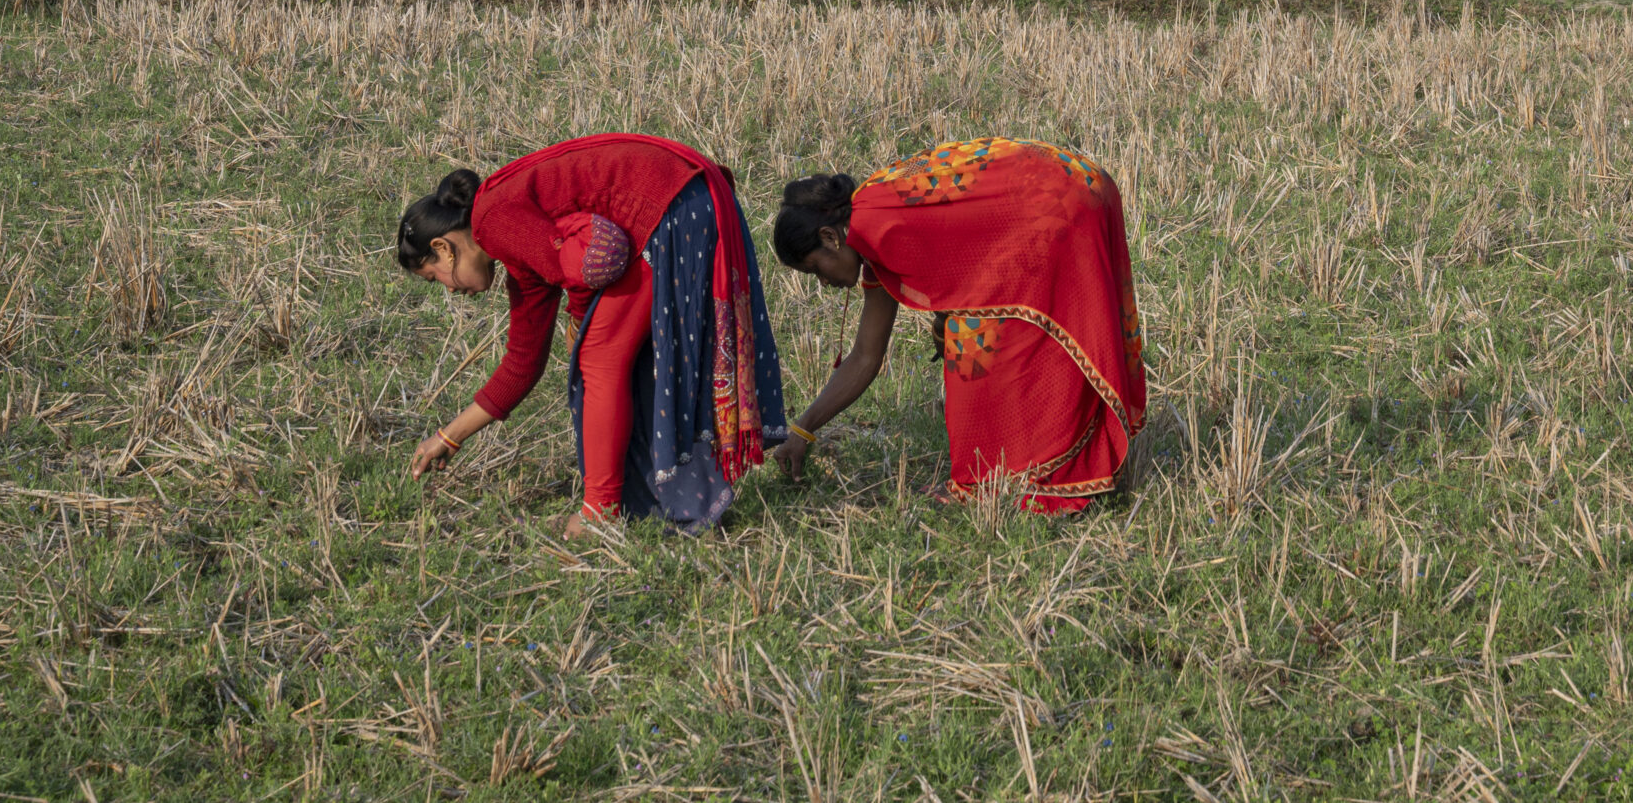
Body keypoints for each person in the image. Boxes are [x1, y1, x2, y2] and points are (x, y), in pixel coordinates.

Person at [398, 133, 784, 535]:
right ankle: (654, 496)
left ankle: (599, 513)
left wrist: (580, 323)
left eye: (434, 278)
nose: (451, 290)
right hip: (690, 194)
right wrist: (449, 437)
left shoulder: (493, 219)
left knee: (598, 359)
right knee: (612, 356)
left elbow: (588, 271)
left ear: (443, 248)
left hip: (668, 203)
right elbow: (522, 364)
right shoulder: (518, 250)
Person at [767, 137, 1145, 513]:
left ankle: (1004, 483)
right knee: (978, 336)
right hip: (1081, 179)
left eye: (815, 269)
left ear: (830, 238)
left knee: (974, 351)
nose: (825, 284)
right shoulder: (873, 217)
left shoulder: (879, 223)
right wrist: (802, 429)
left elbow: (957, 288)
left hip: (1057, 200)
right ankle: (1039, 473)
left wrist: (949, 320)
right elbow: (866, 357)